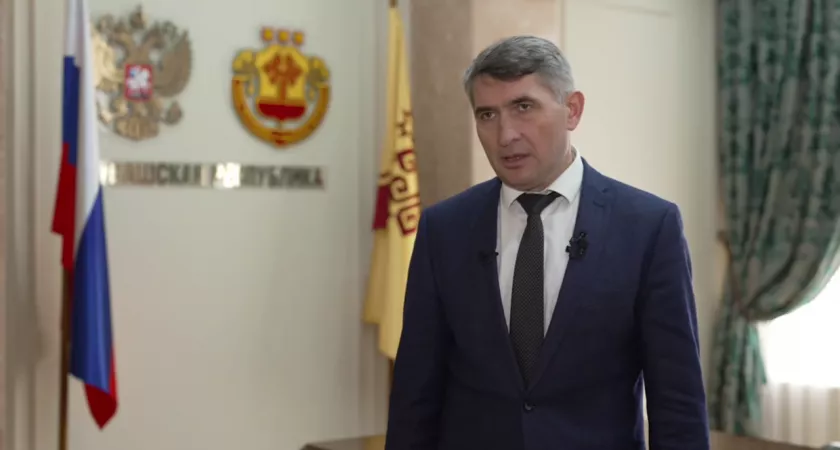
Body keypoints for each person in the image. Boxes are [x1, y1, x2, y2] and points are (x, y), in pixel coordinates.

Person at [384, 36, 710, 450]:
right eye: (487, 114)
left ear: (572, 110)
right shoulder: (444, 229)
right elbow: (415, 395)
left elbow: (678, 402)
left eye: (523, 107)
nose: (505, 135)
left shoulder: (648, 227)